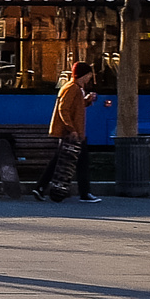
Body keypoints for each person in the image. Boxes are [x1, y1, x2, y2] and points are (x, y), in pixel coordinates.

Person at [50, 60, 101, 203]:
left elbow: (75, 107)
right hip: (75, 134)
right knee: (81, 162)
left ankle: (40, 188)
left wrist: (87, 100)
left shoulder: (77, 88)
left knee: (59, 161)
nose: (90, 78)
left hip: (76, 132)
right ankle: (85, 193)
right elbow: (63, 109)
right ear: (83, 75)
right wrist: (71, 129)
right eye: (89, 75)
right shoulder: (72, 88)